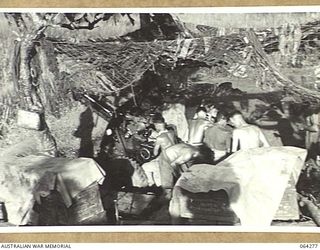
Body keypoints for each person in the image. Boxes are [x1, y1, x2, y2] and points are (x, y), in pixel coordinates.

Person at [142, 114, 176, 187]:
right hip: (174, 158)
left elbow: (155, 153)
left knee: (145, 166)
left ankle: (155, 185)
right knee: (156, 161)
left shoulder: (160, 138)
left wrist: (155, 143)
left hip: (166, 162)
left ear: (157, 125)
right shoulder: (172, 132)